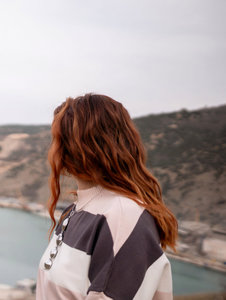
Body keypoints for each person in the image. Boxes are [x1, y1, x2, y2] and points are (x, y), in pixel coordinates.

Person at [36, 94, 178, 300]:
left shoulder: (121, 216)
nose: (53, 149)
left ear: (80, 147)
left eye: (58, 140)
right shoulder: (79, 209)